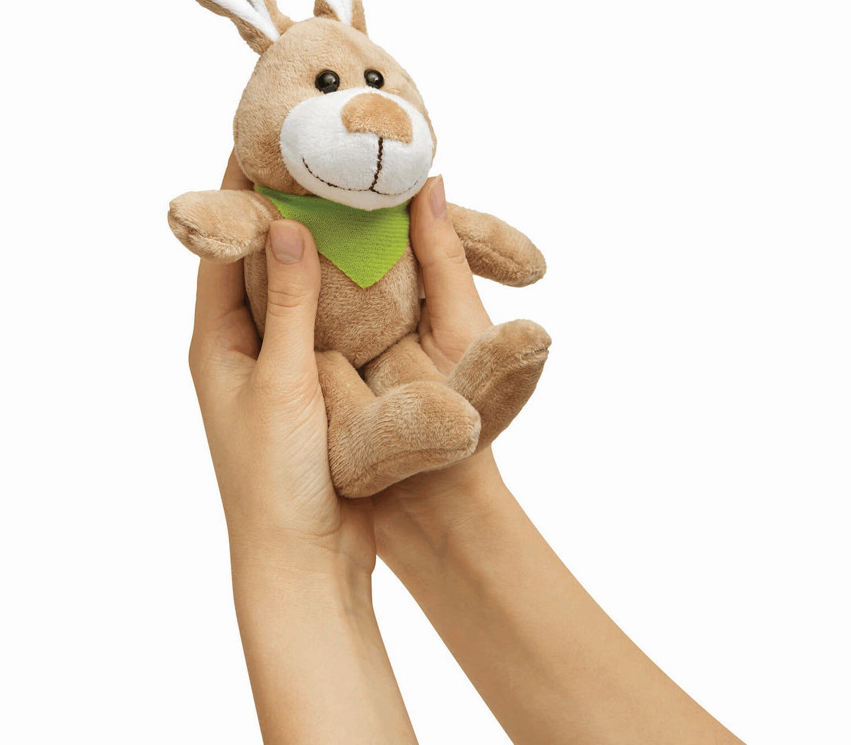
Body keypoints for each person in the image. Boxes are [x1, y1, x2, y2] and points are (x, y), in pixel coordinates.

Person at [189, 155, 744, 745]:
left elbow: (499, 248)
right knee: (355, 400)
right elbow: (219, 220)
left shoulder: (394, 210)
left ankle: (455, 407)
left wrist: (296, 559)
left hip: (399, 355)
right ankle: (384, 435)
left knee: (425, 399)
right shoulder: (278, 210)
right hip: (326, 370)